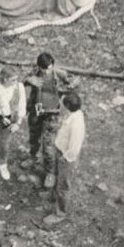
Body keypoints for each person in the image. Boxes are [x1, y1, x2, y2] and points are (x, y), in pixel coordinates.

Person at [22, 51, 79, 189]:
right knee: (33, 137)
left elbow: (75, 81)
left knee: (48, 146)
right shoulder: (35, 71)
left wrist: (64, 89)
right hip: (36, 111)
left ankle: (50, 173)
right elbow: (21, 80)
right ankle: (33, 157)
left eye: (49, 67)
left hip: (51, 114)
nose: (47, 70)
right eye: (44, 68)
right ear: (39, 67)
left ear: (52, 65)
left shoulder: (58, 74)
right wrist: (28, 80)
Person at [42, 91, 85, 228]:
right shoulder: (72, 115)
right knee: (57, 177)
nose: (59, 103)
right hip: (60, 151)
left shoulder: (76, 123)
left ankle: (60, 213)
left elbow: (74, 147)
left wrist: (65, 158)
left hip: (66, 157)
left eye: (62, 102)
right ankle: (53, 197)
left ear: (66, 106)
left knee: (63, 186)